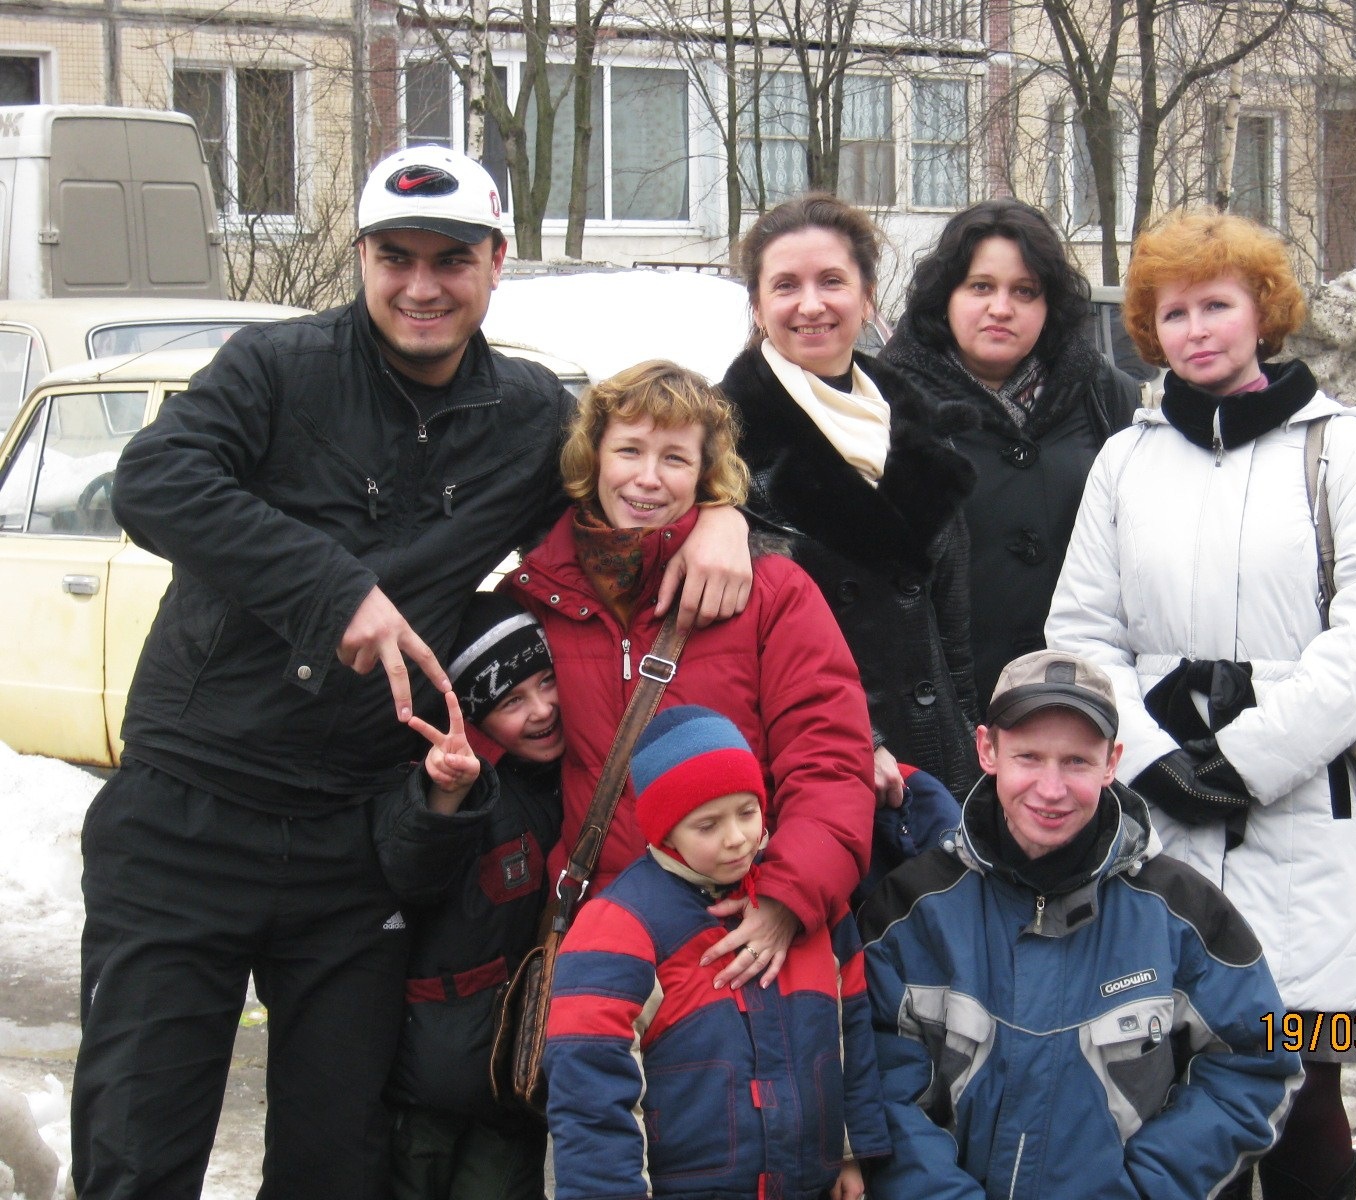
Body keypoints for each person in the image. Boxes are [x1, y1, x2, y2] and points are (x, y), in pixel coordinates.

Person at [72, 144, 751, 1199]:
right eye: (396, 257)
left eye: (451, 258)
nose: (422, 285)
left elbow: (633, 485)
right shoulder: (274, 367)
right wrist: (330, 588)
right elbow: (154, 481)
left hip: (357, 840)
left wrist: (722, 512)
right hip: (187, 814)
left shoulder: (528, 412)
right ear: (361, 258)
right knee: (137, 1147)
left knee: (338, 1164)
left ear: (496, 262)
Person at [1045, 209, 1356, 1200]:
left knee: (1304, 1085)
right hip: (1162, 805)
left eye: (1216, 305)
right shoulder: (1126, 460)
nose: (1195, 329)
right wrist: (1150, 759)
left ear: (1263, 311)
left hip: (1308, 804)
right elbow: (1081, 627)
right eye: (1173, 313)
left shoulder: (1342, 447)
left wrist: (1247, 759)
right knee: (1174, 1090)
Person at [859, 649, 1303, 1200]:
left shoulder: (1181, 914)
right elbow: (876, 1080)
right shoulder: (910, 911)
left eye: (1076, 762)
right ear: (987, 750)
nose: (1051, 789)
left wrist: (1146, 1190)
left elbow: (1256, 1063)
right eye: (1028, 757)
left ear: (1112, 762)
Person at [499, 359, 875, 990]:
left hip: (740, 927)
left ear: (704, 474)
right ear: (594, 457)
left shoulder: (771, 591)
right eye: (629, 450)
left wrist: (790, 895)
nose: (647, 478)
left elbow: (829, 756)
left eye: (675, 458)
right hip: (605, 934)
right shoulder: (537, 594)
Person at [544, 705, 891, 1200]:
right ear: (664, 829)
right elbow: (590, 1087)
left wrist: (851, 1151)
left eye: (748, 811)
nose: (736, 838)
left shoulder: (813, 907)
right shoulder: (617, 924)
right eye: (707, 825)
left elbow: (850, 1031)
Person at [720, 193, 981, 806]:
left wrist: (972, 752)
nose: (811, 305)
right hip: (810, 768)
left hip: (936, 767)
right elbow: (733, 654)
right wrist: (858, 736)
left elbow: (952, 638)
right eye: (786, 285)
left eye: (832, 281)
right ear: (757, 306)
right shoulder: (716, 440)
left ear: (867, 298)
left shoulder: (919, 426)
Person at [881, 198, 1140, 702]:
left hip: (1078, 704)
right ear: (946, 295)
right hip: (940, 704)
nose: (1001, 308)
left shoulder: (1105, 395)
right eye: (980, 286)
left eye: (1025, 291)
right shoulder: (884, 401)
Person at [373, 594, 564, 1200]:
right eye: (512, 701)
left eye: (547, 681)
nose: (542, 709)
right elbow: (412, 869)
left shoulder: (565, 781)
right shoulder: (461, 781)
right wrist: (447, 794)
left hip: (514, 1078)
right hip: (428, 1079)